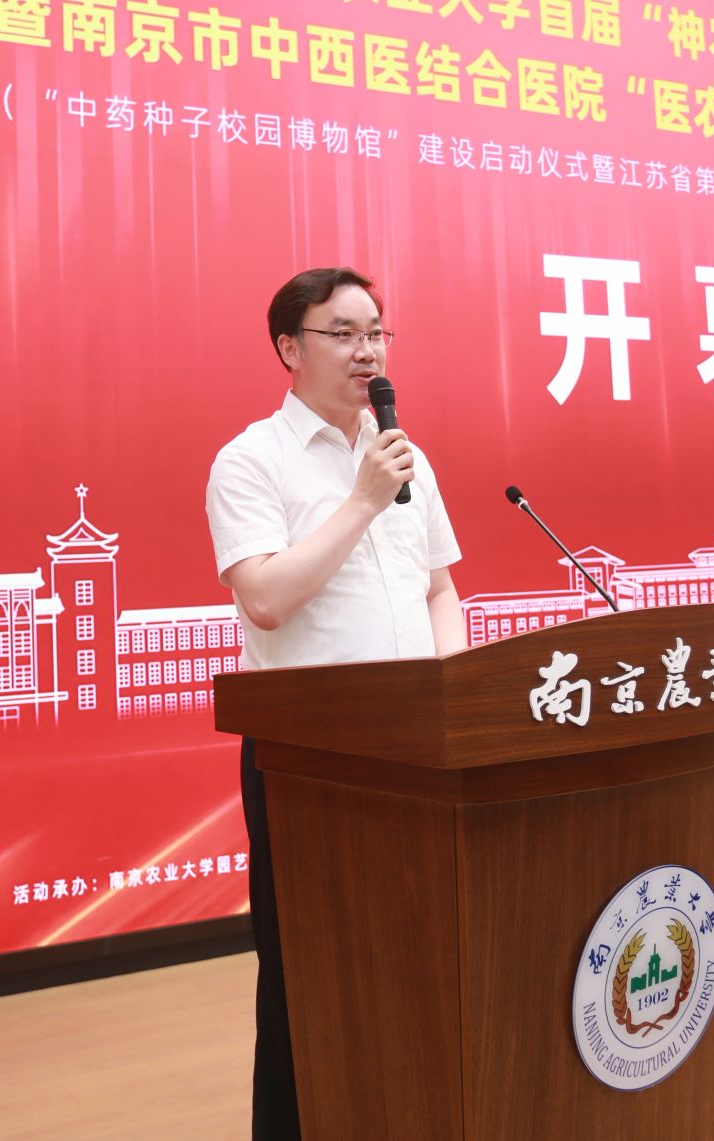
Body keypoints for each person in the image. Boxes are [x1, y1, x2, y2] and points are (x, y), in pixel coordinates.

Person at [205, 266, 465, 1139]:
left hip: (418, 746)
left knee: (420, 955)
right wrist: (361, 500)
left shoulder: (404, 455)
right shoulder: (251, 460)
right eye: (344, 333)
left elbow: (439, 588)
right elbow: (265, 598)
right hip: (309, 759)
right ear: (290, 347)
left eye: (377, 332)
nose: (368, 351)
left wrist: (453, 690)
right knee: (311, 974)